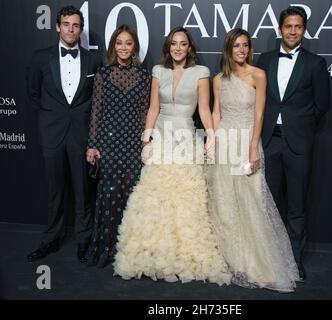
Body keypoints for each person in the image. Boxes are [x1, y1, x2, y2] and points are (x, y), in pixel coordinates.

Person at [113, 27, 231, 285]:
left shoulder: (201, 73)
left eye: (183, 44)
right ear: (168, 48)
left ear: (190, 48)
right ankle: (152, 255)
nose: (178, 48)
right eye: (174, 44)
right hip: (161, 138)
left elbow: (203, 108)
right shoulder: (158, 72)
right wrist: (146, 139)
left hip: (186, 140)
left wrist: (211, 136)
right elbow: (153, 107)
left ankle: (184, 255)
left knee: (186, 199)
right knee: (155, 197)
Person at [206, 28, 299, 293]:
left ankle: (258, 264)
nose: (241, 50)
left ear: (250, 48)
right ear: (228, 49)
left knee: (253, 201)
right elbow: (215, 112)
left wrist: (253, 148)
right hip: (224, 141)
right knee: (223, 203)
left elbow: (260, 114)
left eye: (245, 46)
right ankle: (233, 261)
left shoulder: (258, 75)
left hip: (247, 141)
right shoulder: (217, 79)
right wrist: (212, 142)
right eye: (236, 46)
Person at [257, 6, 331, 281]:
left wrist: (297, 125)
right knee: (270, 205)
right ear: (280, 29)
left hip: (299, 144)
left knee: (297, 207)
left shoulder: (315, 63)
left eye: (298, 27)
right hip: (269, 143)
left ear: (304, 30)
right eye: (288, 26)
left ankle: (293, 263)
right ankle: (269, 260)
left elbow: (322, 105)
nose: (292, 31)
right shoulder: (263, 60)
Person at [26, 6, 102, 262]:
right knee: (55, 190)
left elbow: (96, 101)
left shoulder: (94, 60)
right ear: (57, 26)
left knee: (83, 190)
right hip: (52, 133)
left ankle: (84, 240)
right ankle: (51, 239)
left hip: (81, 135)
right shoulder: (40, 58)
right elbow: (33, 94)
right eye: (66, 24)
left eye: (76, 25)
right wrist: (52, 118)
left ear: (81, 30)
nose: (71, 29)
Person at [85, 25, 151, 267]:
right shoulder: (104, 73)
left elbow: (145, 112)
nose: (123, 47)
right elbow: (96, 111)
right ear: (114, 46)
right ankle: (107, 247)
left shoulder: (145, 77)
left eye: (128, 43)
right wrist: (93, 145)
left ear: (135, 47)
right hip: (109, 144)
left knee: (132, 197)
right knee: (109, 195)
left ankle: (129, 252)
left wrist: (146, 142)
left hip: (134, 144)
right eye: (119, 42)